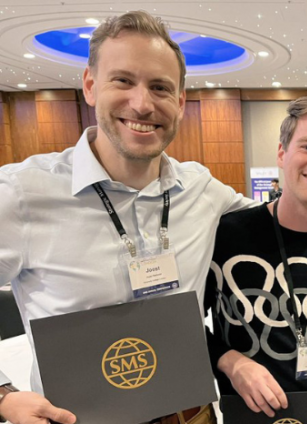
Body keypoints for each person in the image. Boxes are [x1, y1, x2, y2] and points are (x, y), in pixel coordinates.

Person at [0, 11, 257, 424]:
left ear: (180, 102)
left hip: (191, 416)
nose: (142, 103)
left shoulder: (201, 188)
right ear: (90, 86)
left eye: (160, 87)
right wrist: (4, 396)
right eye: (122, 80)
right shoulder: (22, 194)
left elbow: (277, 219)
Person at [205, 97, 307, 420]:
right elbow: (183, 327)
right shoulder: (227, 236)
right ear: (282, 153)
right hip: (252, 414)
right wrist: (229, 361)